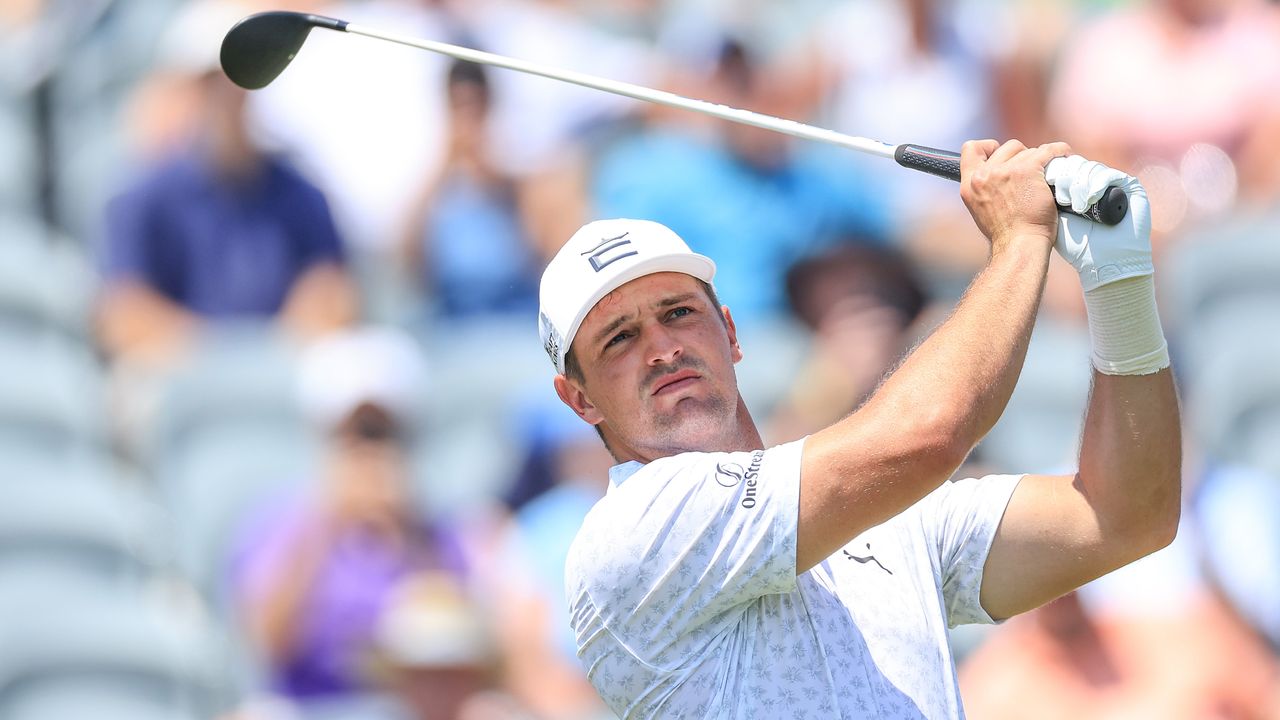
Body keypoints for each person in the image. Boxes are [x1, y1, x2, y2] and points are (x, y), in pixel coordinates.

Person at [536, 140, 1182, 717]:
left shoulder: (876, 506)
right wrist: (1019, 240)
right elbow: (930, 433)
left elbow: (1125, 515)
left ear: (730, 333)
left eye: (678, 312)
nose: (662, 347)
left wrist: (1116, 277)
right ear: (580, 400)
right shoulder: (635, 529)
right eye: (619, 339)